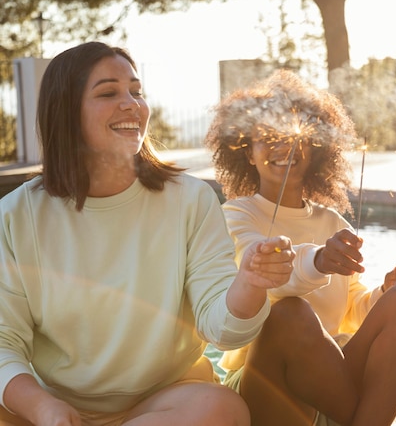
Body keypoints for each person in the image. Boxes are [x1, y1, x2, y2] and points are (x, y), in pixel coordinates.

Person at [0, 41, 296, 426]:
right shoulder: (15, 216)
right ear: (66, 112)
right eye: (108, 92)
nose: (131, 104)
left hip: (165, 403)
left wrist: (251, 282)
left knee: (222, 409)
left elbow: (222, 330)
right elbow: (4, 343)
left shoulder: (190, 200)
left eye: (136, 92)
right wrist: (45, 408)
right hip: (51, 408)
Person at [205, 69, 396, 426]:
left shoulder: (333, 224)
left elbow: (352, 310)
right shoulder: (235, 216)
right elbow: (269, 274)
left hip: (332, 389)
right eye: (267, 136)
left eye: (294, 134)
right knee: (290, 315)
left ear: (315, 148)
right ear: (247, 152)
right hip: (266, 391)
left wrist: (384, 293)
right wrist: (320, 261)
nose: (283, 145)